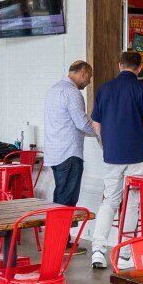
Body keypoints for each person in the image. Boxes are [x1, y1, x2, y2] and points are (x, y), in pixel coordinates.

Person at [89, 50, 143, 269]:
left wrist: (104, 142)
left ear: (119, 65)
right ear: (139, 68)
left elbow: (96, 123)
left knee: (109, 201)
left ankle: (98, 250)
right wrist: (142, 133)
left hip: (112, 155)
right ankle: (125, 255)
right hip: (136, 154)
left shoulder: (105, 89)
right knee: (131, 203)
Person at [43, 60, 94, 208]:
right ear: (82, 73)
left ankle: (58, 231)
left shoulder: (54, 89)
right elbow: (82, 123)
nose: (89, 82)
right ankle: (59, 231)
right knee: (66, 200)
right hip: (69, 154)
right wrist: (101, 131)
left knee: (61, 195)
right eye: (89, 77)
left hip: (55, 152)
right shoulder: (72, 92)